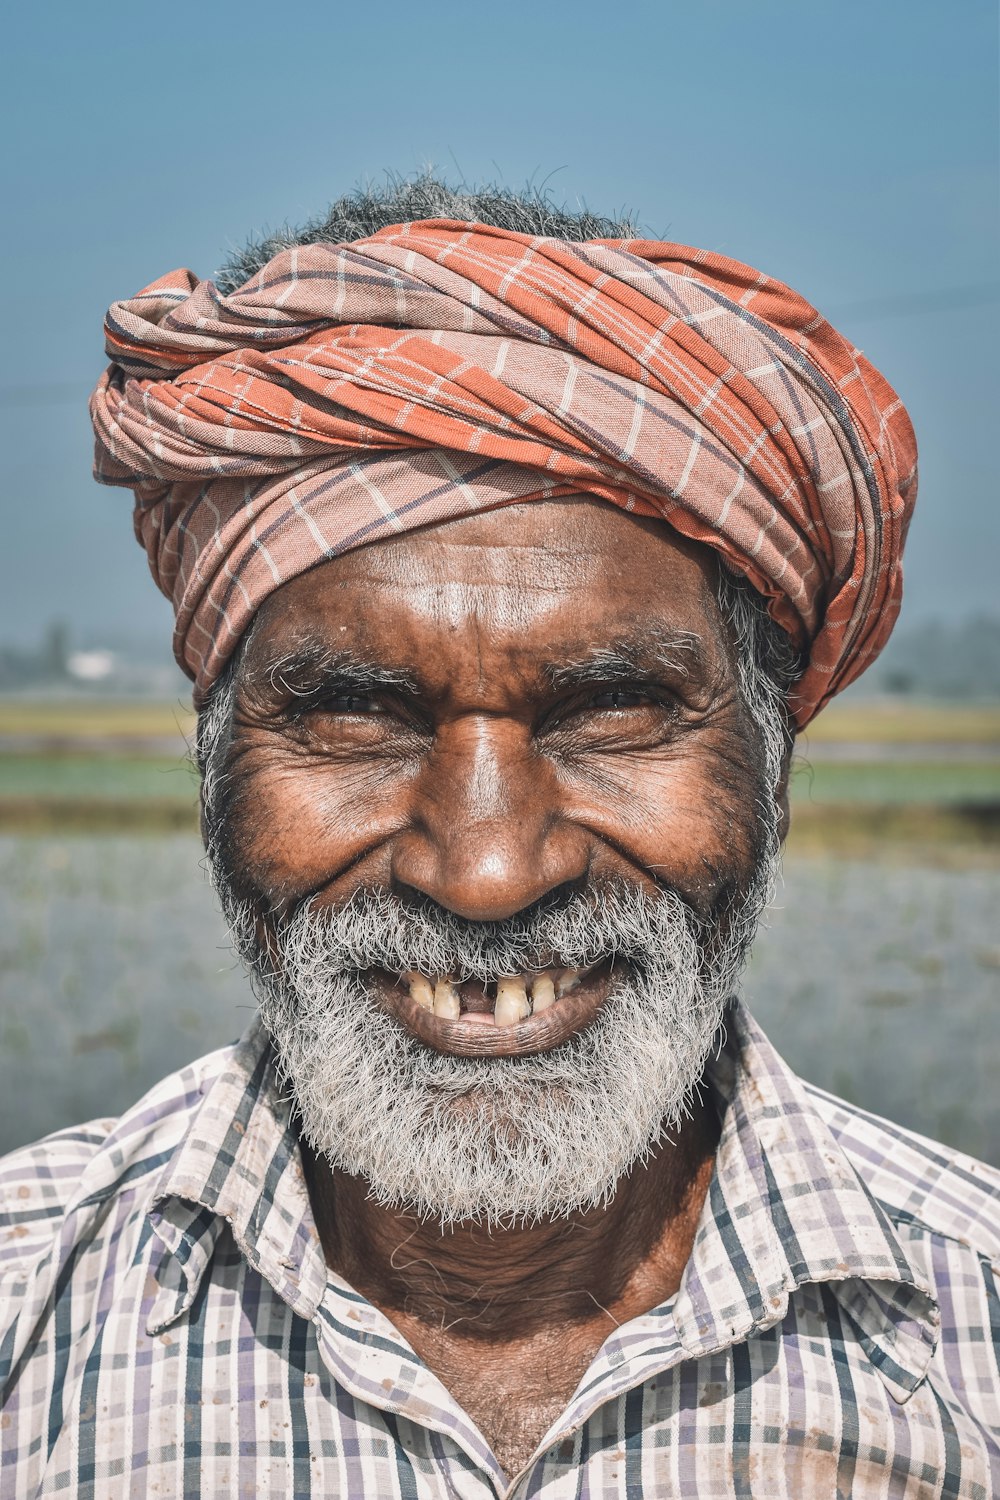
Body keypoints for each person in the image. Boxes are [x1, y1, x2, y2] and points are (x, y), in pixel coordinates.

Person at [1, 178, 997, 1499]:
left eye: (608, 710)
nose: (484, 870)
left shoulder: (973, 1340)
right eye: (355, 716)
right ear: (213, 767)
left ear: (770, 762)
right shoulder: (29, 1315)